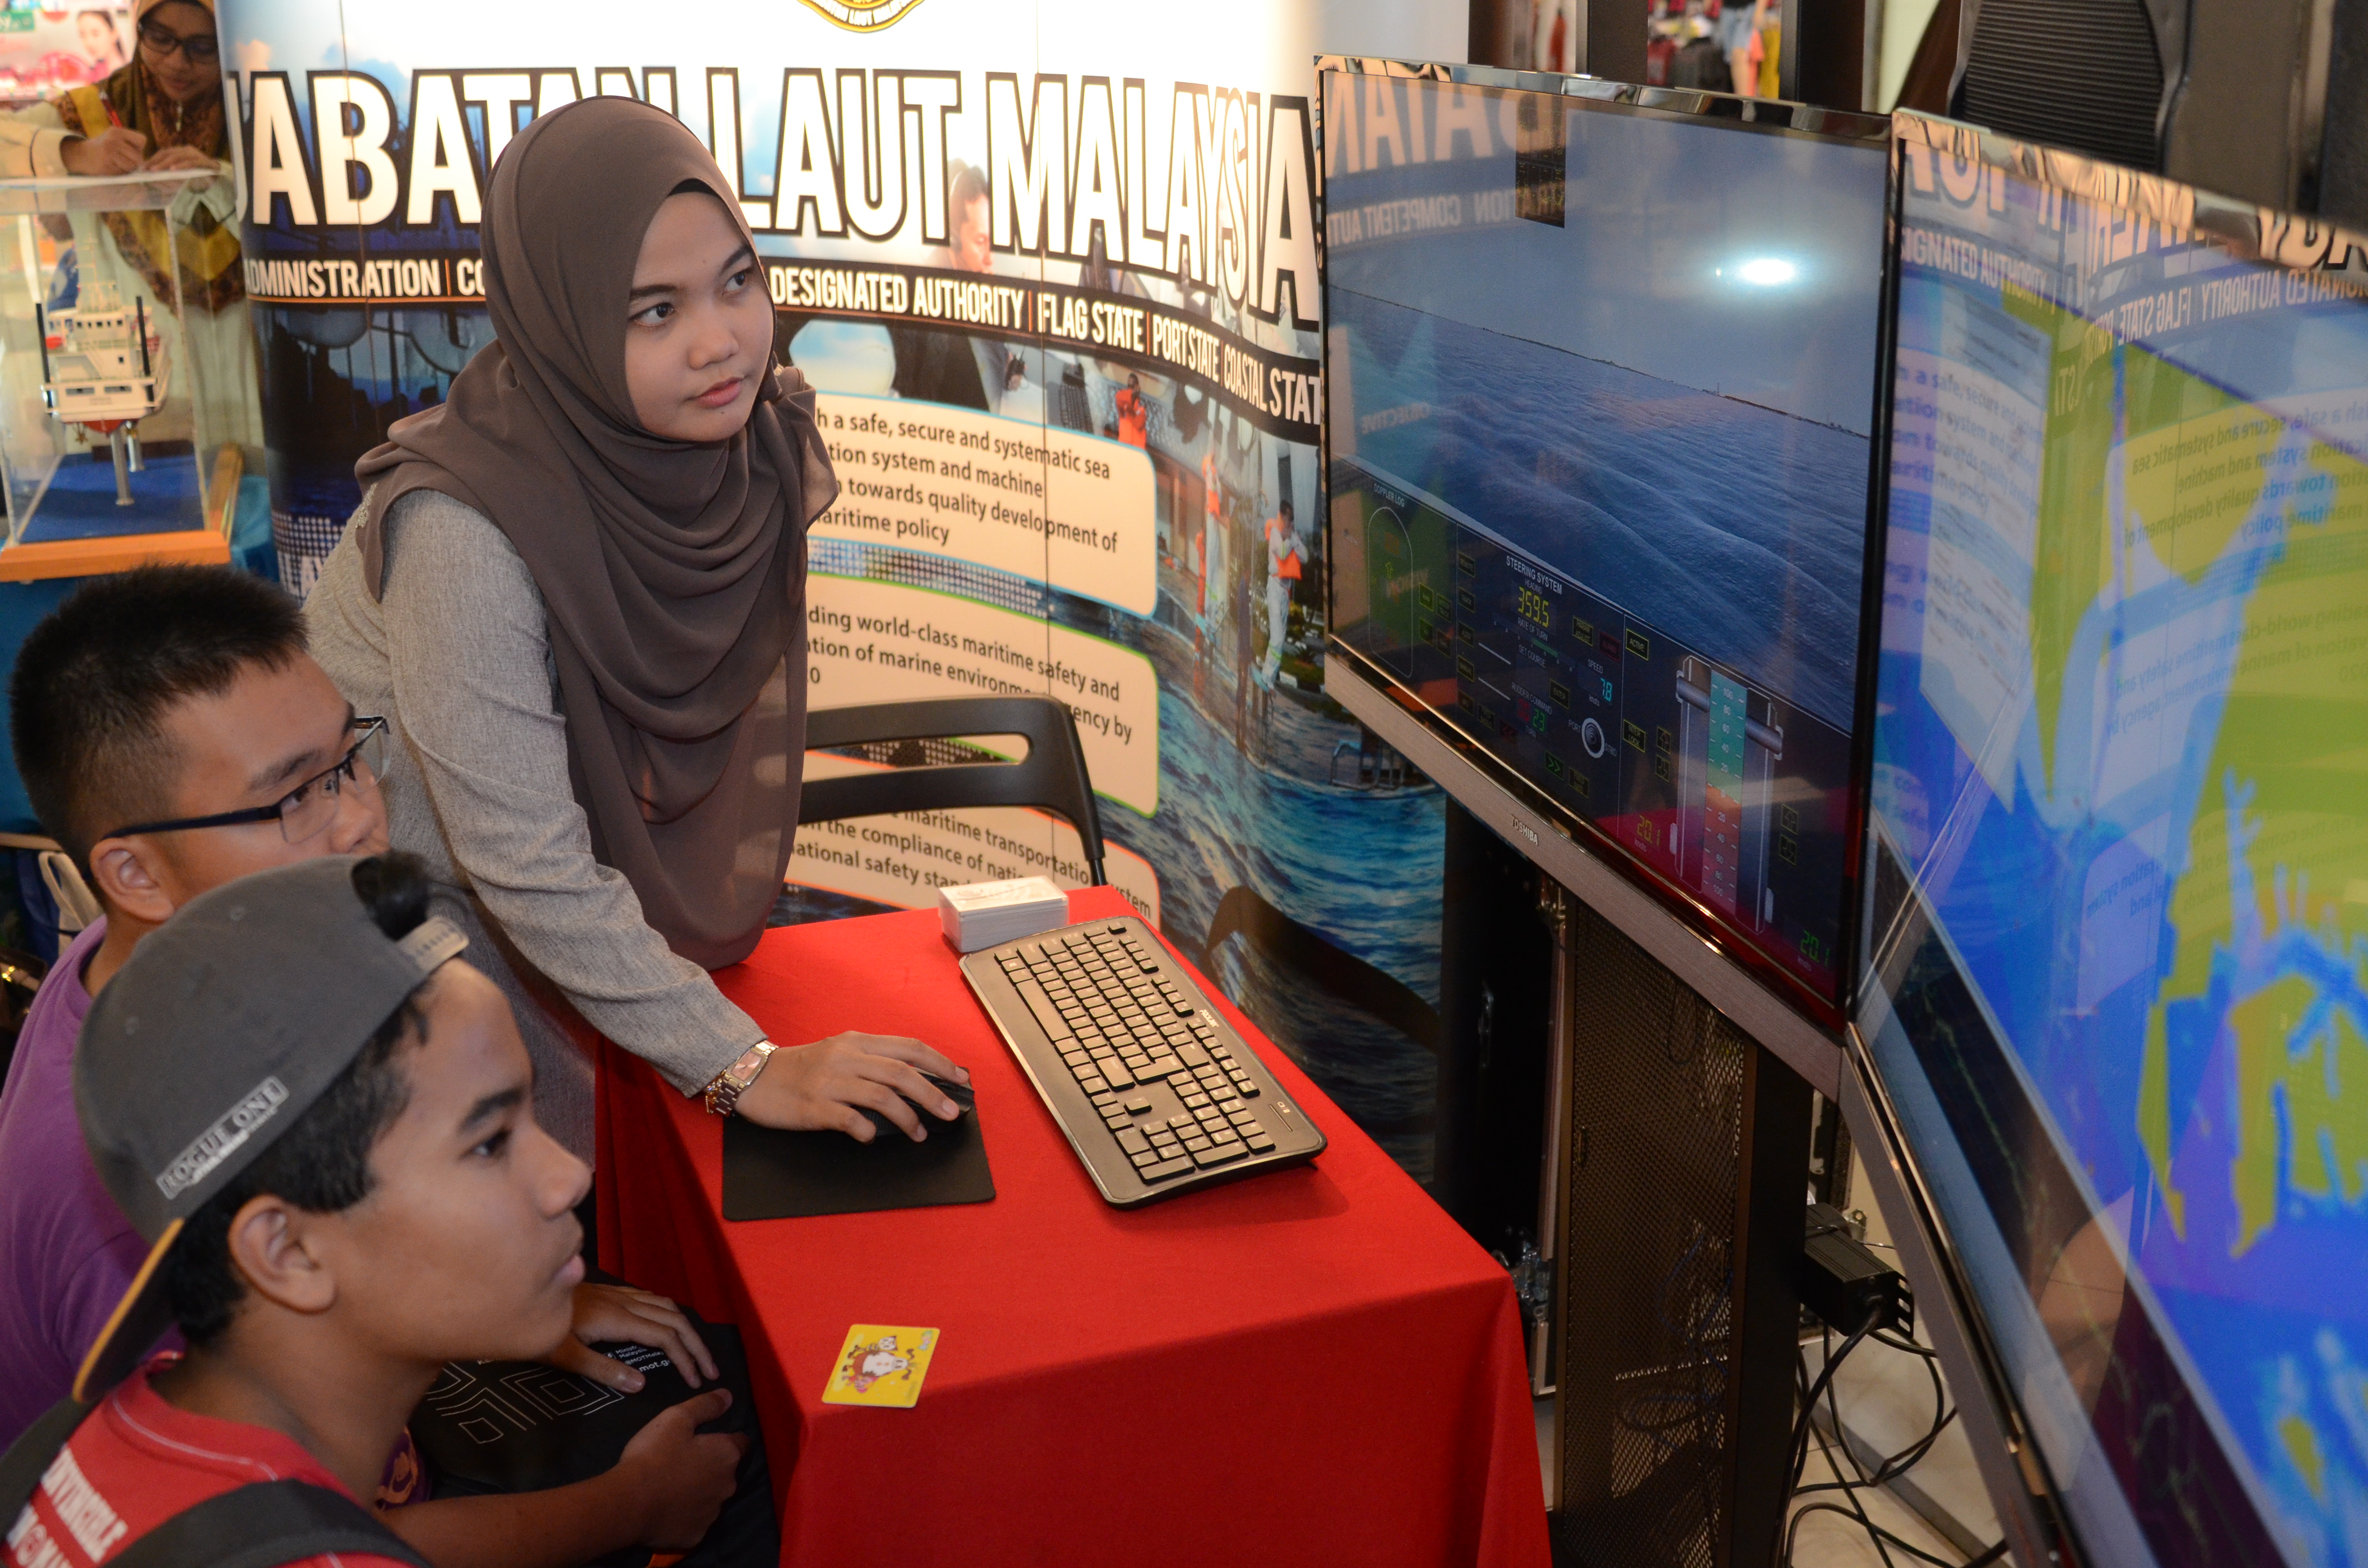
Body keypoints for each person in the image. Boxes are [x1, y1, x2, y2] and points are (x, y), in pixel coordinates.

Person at [0, 567, 744, 1565]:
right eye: (292, 797)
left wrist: (510, 1274)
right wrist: (637, 1503)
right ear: (132, 872)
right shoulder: (126, 1204)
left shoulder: (152, 975)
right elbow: (323, 1531)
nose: (356, 818)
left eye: (351, 761)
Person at [304, 97, 969, 1172]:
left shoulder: (750, 444)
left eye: (737, 281)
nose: (720, 341)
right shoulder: (463, 529)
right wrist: (743, 1065)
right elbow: (517, 855)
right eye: (653, 311)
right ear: (562, 319)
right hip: (436, 961)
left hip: (613, 938)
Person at [0, 0, 260, 455]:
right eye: (160, 39)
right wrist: (75, 153)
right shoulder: (88, 113)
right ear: (138, 27)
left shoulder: (261, 107)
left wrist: (220, 178)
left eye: (203, 47)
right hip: (140, 375)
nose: (178, 62)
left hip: (252, 363)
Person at [889, 161, 1026, 412]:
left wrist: (1005, 363)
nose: (990, 258)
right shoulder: (922, 299)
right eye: (980, 242)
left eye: (994, 242)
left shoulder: (978, 278)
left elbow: (989, 347)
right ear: (953, 238)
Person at [1260, 497, 1302, 685]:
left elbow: (1305, 556)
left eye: (1291, 519)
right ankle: (1266, 676)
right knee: (1277, 638)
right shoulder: (1276, 532)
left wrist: (1294, 538)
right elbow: (1283, 553)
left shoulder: (1288, 535)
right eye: (1287, 518)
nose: (1289, 522)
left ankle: (1270, 677)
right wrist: (1292, 540)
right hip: (1275, 588)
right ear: (1282, 516)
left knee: (1280, 639)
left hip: (1285, 591)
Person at [74, 10, 126, 77]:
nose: (89, 43)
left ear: (114, 34)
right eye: (83, 35)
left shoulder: (127, 72)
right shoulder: (93, 73)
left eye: (96, 34)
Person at [1114, 372, 1149, 449]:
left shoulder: (1142, 407)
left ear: (1138, 387)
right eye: (1129, 387)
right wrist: (1131, 397)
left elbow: (1138, 424)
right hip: (1124, 447)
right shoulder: (1122, 400)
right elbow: (1119, 397)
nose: (1130, 390)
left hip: (1136, 450)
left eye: (1132, 387)